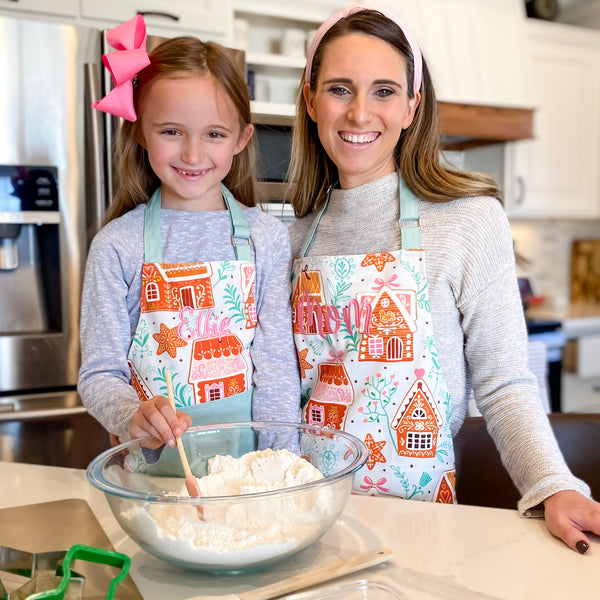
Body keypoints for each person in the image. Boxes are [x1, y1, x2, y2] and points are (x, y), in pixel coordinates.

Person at [287, 4, 600, 554]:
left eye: (384, 91)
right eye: (340, 88)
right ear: (311, 99)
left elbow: (504, 384)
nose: (361, 113)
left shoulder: (467, 219)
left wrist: (553, 486)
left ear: (412, 105)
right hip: (306, 521)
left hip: (424, 527)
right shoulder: (290, 238)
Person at [78, 15, 300, 451]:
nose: (193, 153)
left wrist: (280, 467)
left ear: (241, 139)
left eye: (214, 134)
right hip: (154, 478)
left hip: (248, 477)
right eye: (171, 131)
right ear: (140, 131)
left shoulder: (266, 237)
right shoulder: (119, 245)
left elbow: (275, 369)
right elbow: (100, 373)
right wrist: (131, 416)